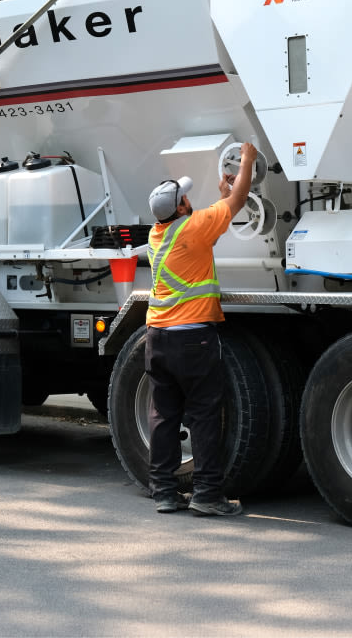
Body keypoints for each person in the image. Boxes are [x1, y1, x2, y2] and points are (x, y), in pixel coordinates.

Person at [144, 141, 258, 516]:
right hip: (192, 338)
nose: (189, 199)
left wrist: (219, 196)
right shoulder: (193, 228)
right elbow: (238, 202)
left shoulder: (158, 235)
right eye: (185, 197)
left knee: (164, 416)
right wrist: (248, 161)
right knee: (205, 415)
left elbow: (207, 220)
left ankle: (163, 491)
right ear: (180, 208)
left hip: (157, 338)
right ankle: (207, 495)